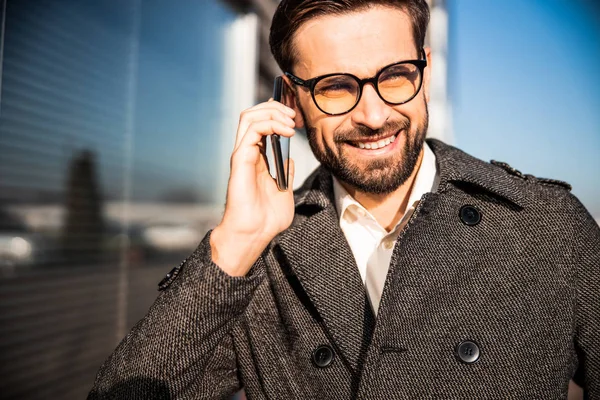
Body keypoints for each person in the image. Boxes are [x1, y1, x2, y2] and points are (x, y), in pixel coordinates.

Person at [88, 0, 599, 398]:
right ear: (290, 99)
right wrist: (234, 244)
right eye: (336, 87)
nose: (374, 116)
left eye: (396, 76)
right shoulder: (262, 261)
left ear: (424, 68)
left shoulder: (548, 226)